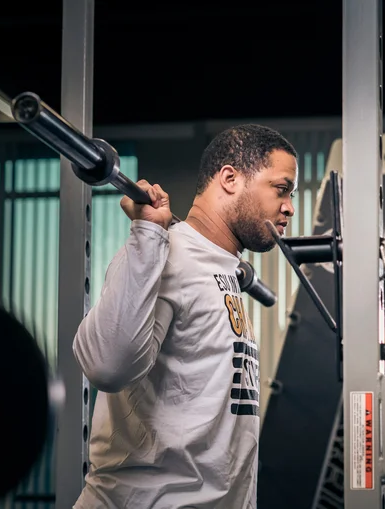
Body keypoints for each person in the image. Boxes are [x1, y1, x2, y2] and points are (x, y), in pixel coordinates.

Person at [71, 124, 298, 508]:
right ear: (229, 178)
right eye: (282, 188)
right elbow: (105, 366)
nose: (290, 206)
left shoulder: (221, 268)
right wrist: (147, 234)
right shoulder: (166, 251)